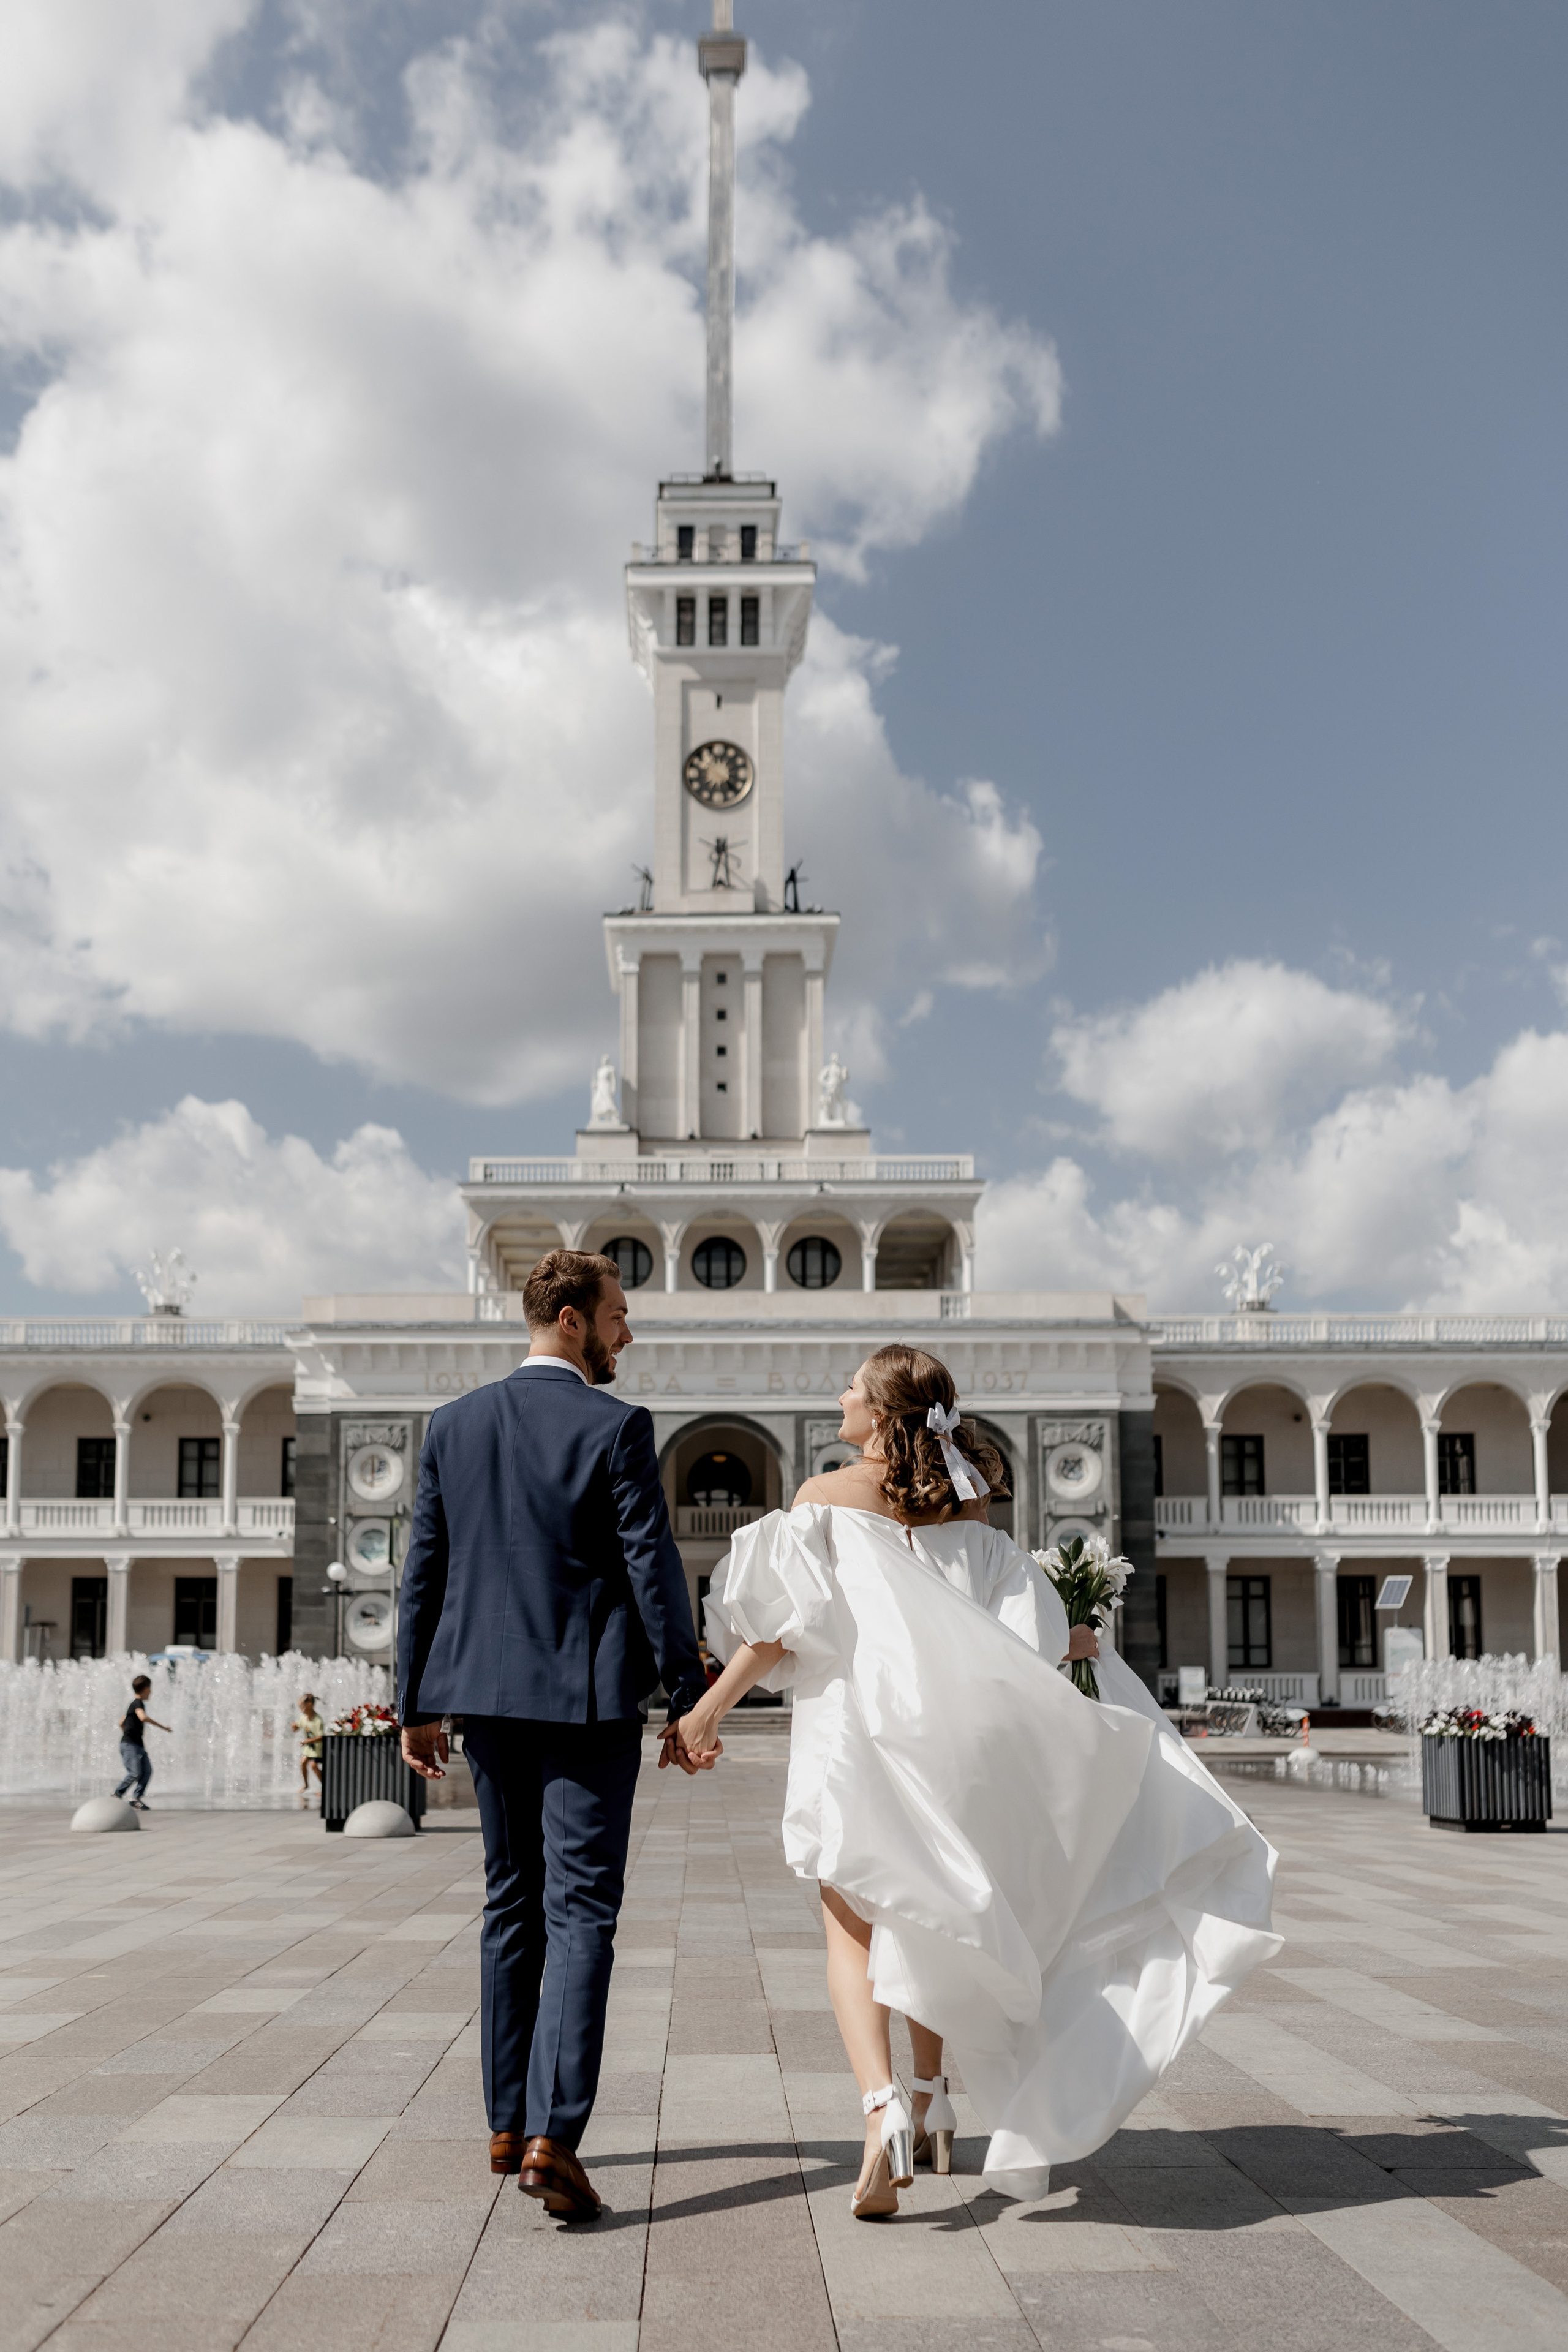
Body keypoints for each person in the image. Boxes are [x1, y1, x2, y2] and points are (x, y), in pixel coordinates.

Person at [684, 1344, 1281, 2217]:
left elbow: (780, 1630)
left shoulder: (823, 1502)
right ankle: (932, 2099)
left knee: (853, 1932)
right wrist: (1078, 1645)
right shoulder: (975, 1511)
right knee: (935, 1916)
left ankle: (881, 2106)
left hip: (858, 1739)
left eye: (854, 1388)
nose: (839, 1397)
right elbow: (1029, 1639)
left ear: (883, 1415)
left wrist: (708, 1712)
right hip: (959, 1752)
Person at [396, 1249, 710, 2224]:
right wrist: (689, 1694)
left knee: (510, 1904)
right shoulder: (615, 1427)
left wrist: (412, 1701)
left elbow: (425, 1571)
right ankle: (553, 2139)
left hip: (481, 1702)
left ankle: (504, 2120)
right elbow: (653, 1568)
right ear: (571, 1319)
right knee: (580, 1914)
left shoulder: (453, 1426)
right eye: (619, 1314)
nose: (629, 1331)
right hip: (581, 1705)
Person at [113, 1673, 170, 1811]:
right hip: (131, 1745)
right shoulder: (137, 1704)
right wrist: (163, 1727)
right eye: (150, 1689)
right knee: (135, 1773)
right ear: (145, 1689)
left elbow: (121, 1722)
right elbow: (143, 1718)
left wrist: (128, 1734)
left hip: (135, 1745)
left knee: (147, 1771)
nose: (151, 1692)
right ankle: (117, 1794)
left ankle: (135, 1798)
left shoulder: (133, 1705)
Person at [292, 1692, 325, 1808]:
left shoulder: (318, 1720)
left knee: (314, 1766)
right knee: (303, 1762)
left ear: (310, 1704)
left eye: (302, 1707)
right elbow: (297, 1727)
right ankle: (306, 1785)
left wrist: (308, 1741)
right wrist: (294, 1727)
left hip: (317, 1748)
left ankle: (326, 1788)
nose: (301, 1710)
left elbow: (322, 1737)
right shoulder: (303, 1717)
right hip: (308, 1748)